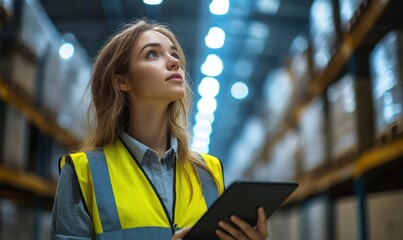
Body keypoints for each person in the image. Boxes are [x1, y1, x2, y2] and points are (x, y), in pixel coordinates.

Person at [50, 19, 268, 240]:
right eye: (152, 54)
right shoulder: (83, 172)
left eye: (174, 54)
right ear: (122, 81)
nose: (174, 62)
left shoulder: (209, 173)